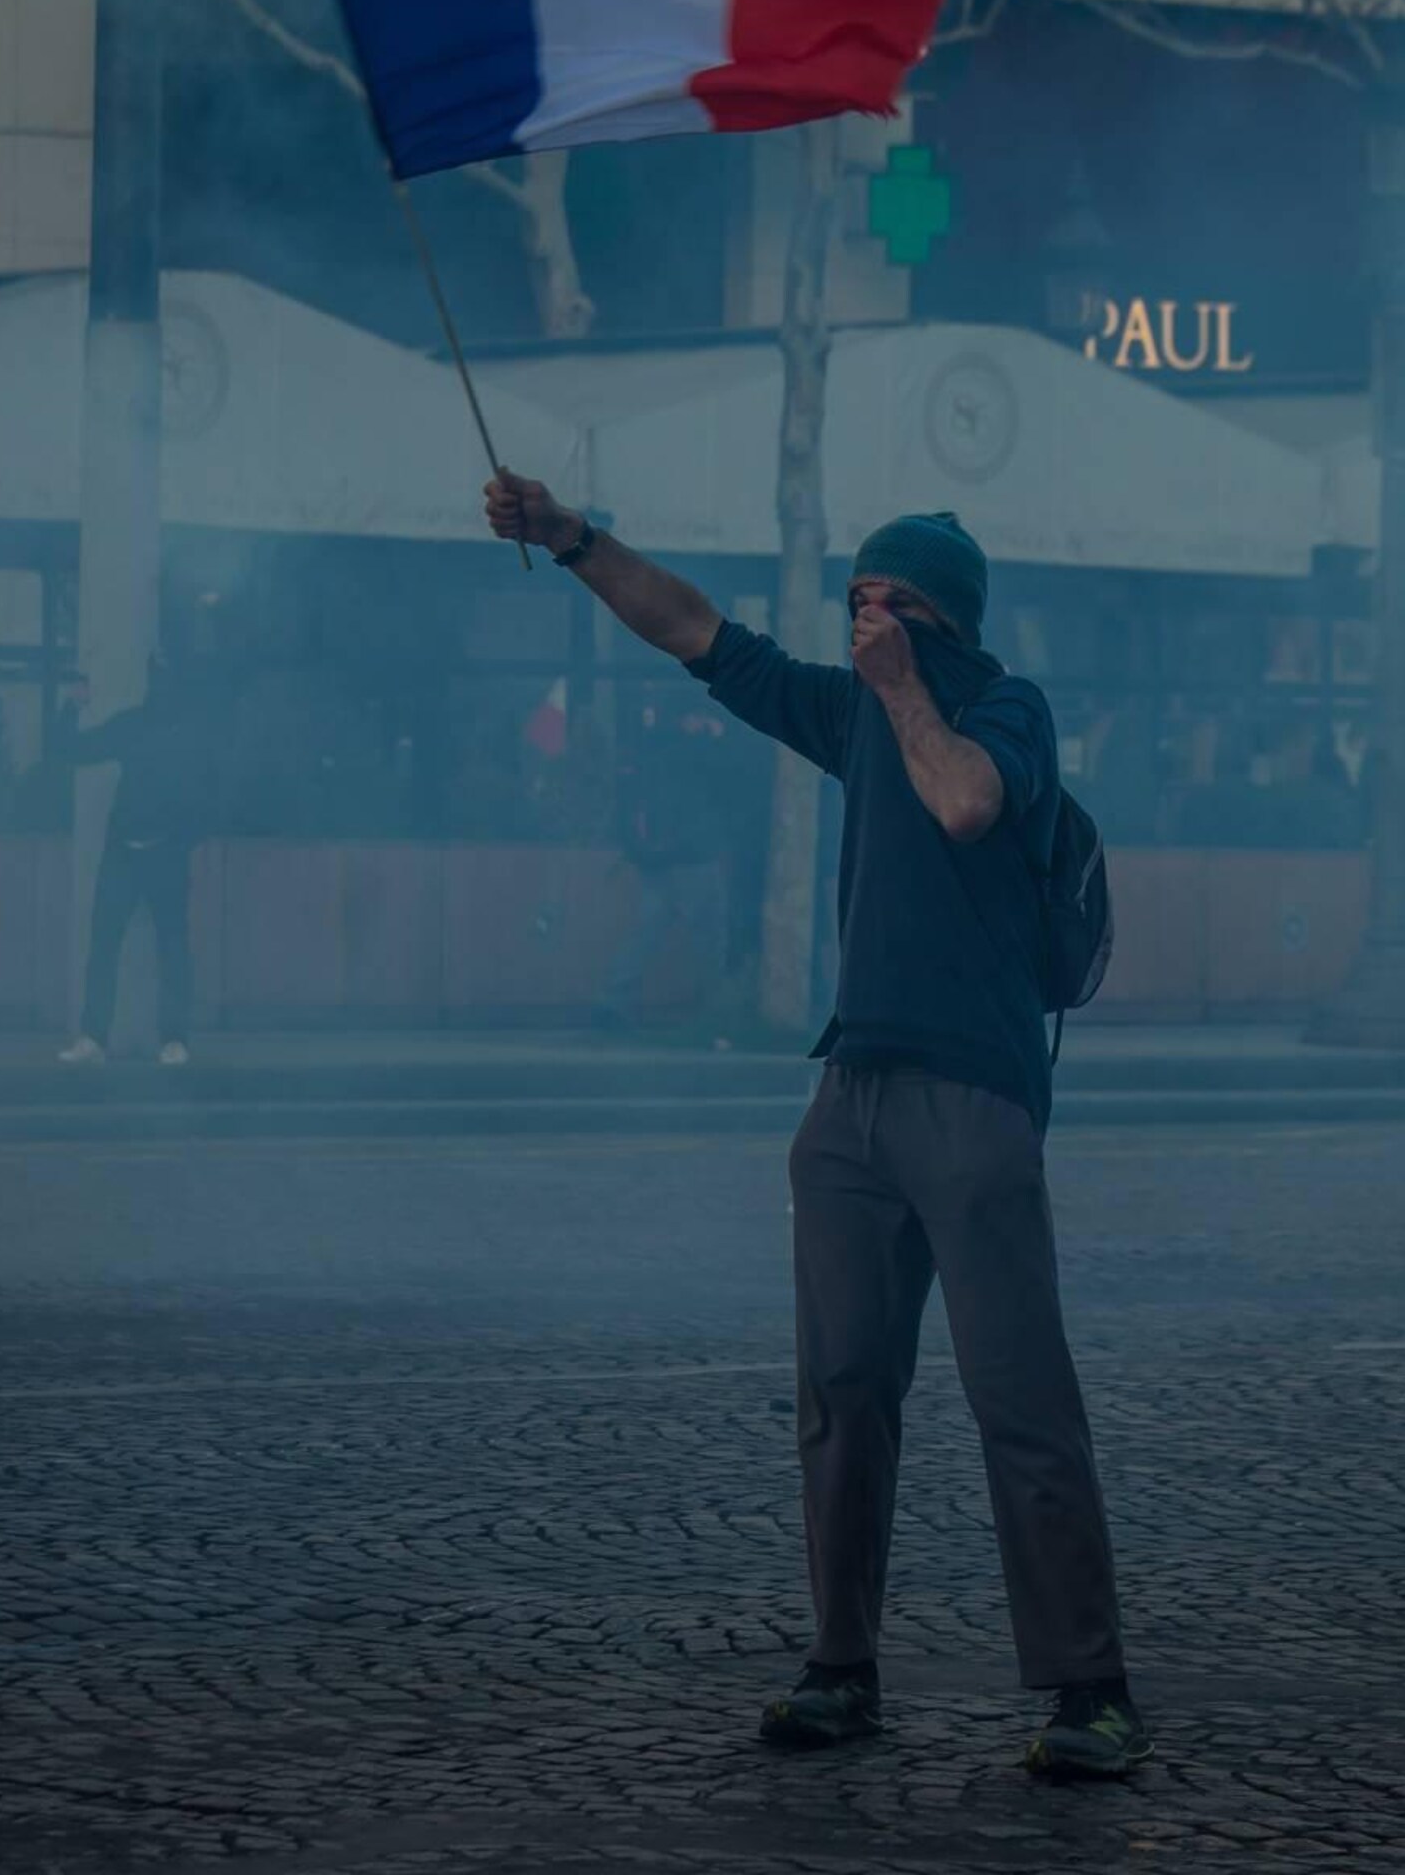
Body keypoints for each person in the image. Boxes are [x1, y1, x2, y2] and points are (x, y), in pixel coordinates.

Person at [483, 468, 1148, 1780]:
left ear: (939, 618)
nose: (864, 618)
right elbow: (697, 635)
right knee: (842, 1393)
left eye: (887, 600)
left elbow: (962, 800)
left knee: (1020, 1399)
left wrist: (899, 684)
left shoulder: (1006, 710)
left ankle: (1091, 1692)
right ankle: (843, 1668)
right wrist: (571, 541)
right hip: (852, 1096)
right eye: (855, 598)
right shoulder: (846, 712)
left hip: (978, 1099)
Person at [56, 653, 217, 1068]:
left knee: (168, 949)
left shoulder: (181, 732)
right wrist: (71, 708)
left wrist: (184, 840)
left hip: (160, 852)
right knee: (116, 946)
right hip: (129, 852)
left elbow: (210, 794)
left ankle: (170, 1038)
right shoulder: (142, 725)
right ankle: (99, 1036)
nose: (159, 686)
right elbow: (73, 749)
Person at [598, 702, 739, 1036]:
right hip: (693, 857)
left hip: (656, 861)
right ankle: (717, 1009)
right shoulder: (698, 751)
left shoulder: (651, 752)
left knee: (646, 932)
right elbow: (724, 786)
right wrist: (715, 739)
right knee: (710, 938)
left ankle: (614, 999)